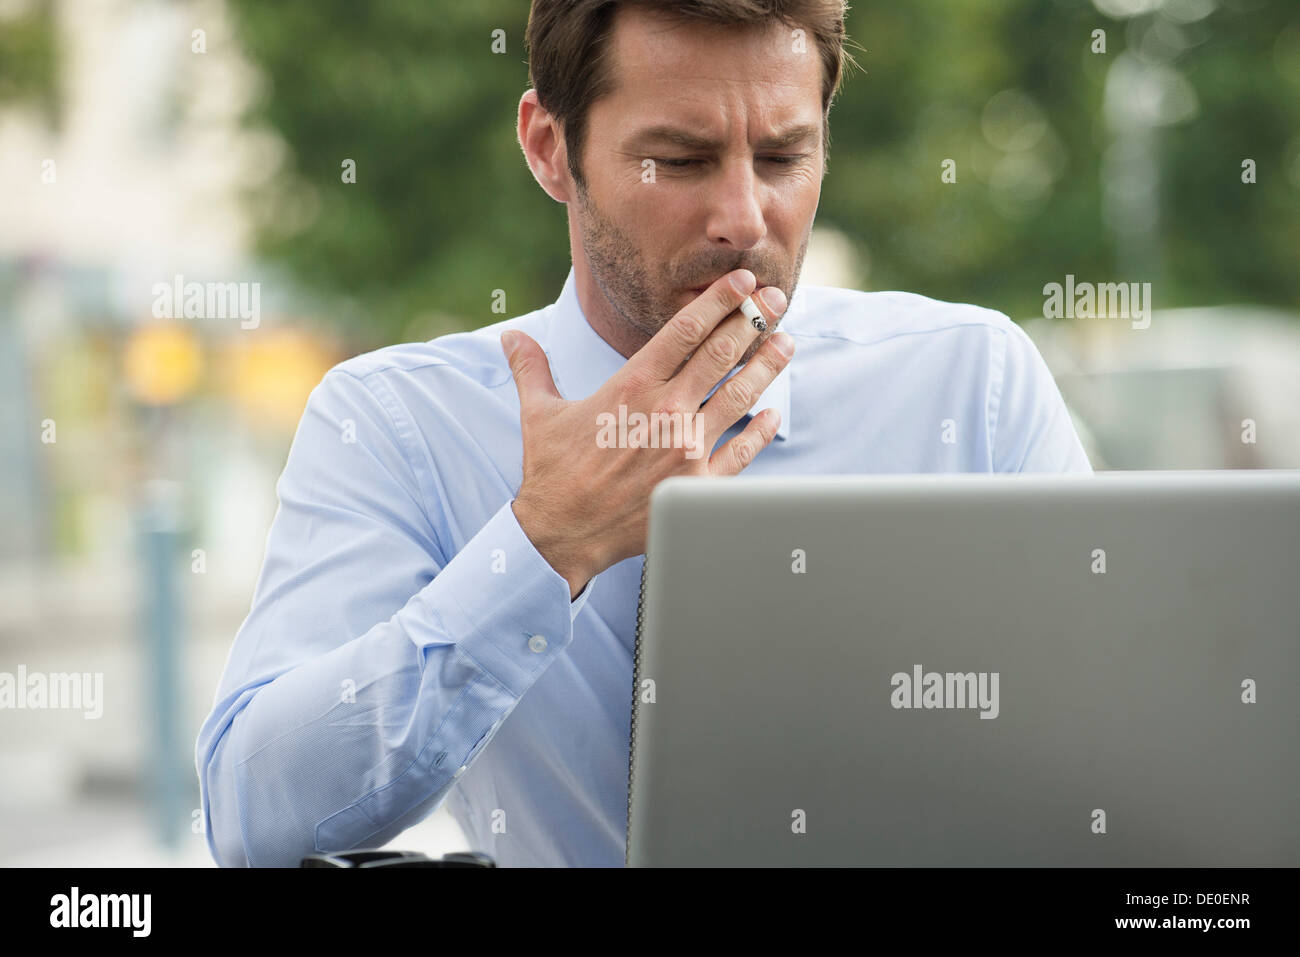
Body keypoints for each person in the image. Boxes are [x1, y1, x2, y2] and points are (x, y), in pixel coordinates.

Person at [196, 0, 1092, 867]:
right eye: (682, 158)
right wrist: (543, 542)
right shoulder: (399, 424)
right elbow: (252, 813)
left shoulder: (971, 385)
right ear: (551, 148)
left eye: (784, 156)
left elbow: (1105, 769)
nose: (744, 217)